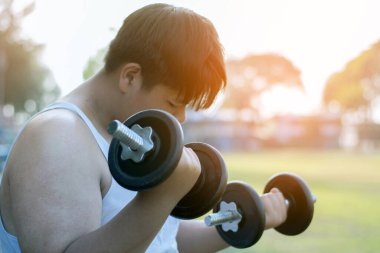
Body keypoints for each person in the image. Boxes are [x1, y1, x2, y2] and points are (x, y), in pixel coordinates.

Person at [0, 3, 288, 253]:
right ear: (130, 77)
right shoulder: (57, 137)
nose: (180, 119)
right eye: (174, 102)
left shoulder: (130, 136)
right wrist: (163, 196)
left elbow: (158, 239)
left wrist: (245, 220)